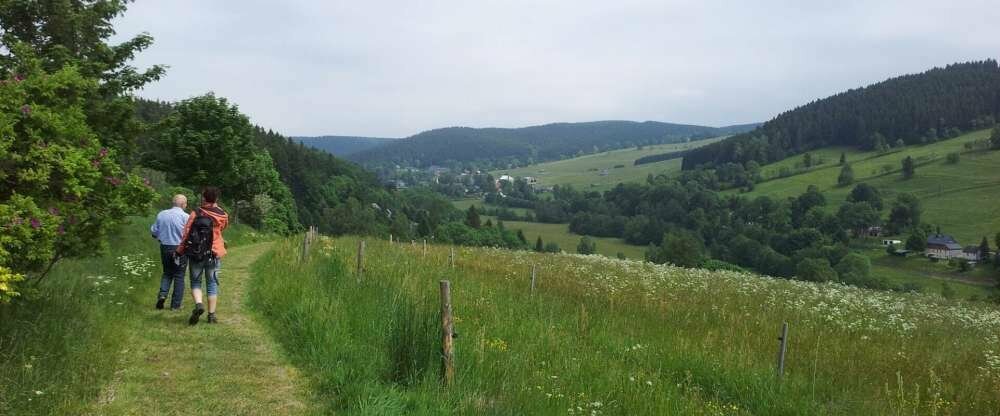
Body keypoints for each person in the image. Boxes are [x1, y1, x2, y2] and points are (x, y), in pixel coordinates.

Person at [177, 187, 229, 325]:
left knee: (195, 282)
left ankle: (199, 304)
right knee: (212, 283)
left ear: (204, 198)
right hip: (214, 253)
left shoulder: (196, 212)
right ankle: (211, 315)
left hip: (196, 253)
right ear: (216, 199)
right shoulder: (223, 214)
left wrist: (180, 250)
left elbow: (187, 233)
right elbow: (223, 228)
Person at [150, 194, 190, 310]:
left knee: (167, 273)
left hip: (165, 247)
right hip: (180, 249)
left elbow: (154, 231)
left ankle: (162, 295)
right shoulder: (186, 217)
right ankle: (175, 305)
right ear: (183, 204)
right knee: (179, 275)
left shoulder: (162, 214)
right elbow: (188, 235)